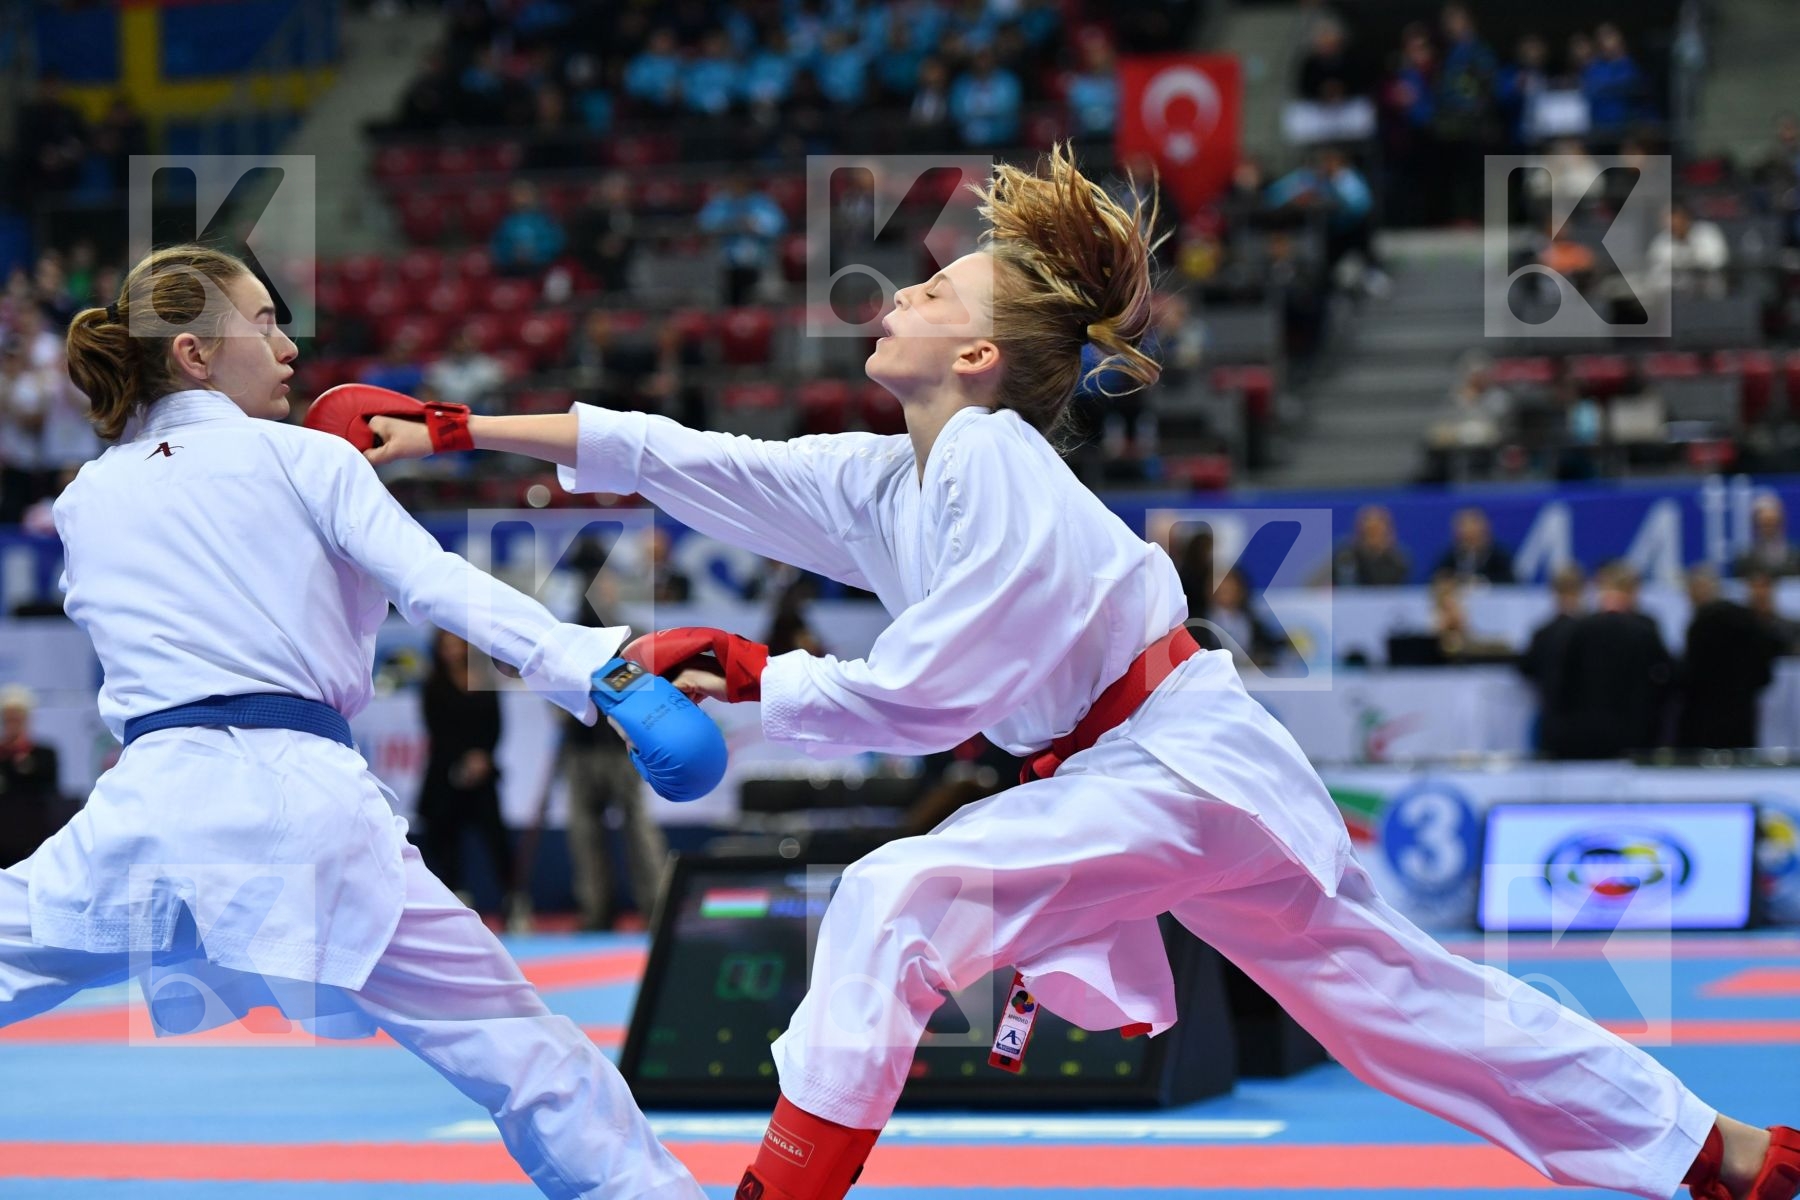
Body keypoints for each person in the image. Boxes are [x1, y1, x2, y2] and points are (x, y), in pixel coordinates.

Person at [355, 145, 1797, 1200]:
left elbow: (932, 696)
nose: (897, 294)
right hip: (1188, 769)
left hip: (1164, 764)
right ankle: (1715, 1152)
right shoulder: (888, 474)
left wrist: (754, 675)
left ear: (977, 354)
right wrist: (461, 427)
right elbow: (678, 459)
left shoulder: (996, 464)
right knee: (1411, 1007)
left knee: (893, 896)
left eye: (927, 287)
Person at [4, 244, 707, 1200]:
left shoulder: (85, 497)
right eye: (262, 321)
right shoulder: (304, 459)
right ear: (195, 355)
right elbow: (440, 586)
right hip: (298, 812)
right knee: (523, 1052)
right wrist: (600, 674)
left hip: (145, 819)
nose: (288, 343)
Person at [416, 630, 526, 926]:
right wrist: (461, 762)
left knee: (497, 841)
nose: (452, 651)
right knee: (447, 840)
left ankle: (514, 903)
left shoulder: (484, 681)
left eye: (457, 645)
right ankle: (456, 904)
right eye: (446, 646)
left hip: (483, 776)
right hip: (446, 776)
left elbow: (496, 726)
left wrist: (482, 758)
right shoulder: (433, 686)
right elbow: (436, 729)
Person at [1539, 562, 1673, 761]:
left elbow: (1562, 682)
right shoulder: (1644, 629)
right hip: (1635, 730)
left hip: (1586, 732)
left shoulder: (1580, 627)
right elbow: (1665, 674)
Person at [1677, 566, 1779, 752]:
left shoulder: (1701, 624)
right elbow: (1764, 673)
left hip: (1703, 720)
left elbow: (1689, 674)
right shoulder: (1748, 618)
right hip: (1742, 717)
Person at [0, 685, 61, 869]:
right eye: (8, 718)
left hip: (32, 835)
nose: (12, 722)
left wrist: (24, 767)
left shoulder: (44, 754)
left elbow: (50, 788)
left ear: (26, 719)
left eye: (17, 717)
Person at [1331, 504, 1411, 586]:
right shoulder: (1344, 557)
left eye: (1377, 532)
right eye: (1369, 532)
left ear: (1387, 533)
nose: (1373, 538)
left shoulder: (1398, 561)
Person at [1434, 506, 1515, 583]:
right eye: (1462, 526)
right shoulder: (1451, 556)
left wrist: (1482, 582)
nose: (1468, 531)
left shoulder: (1499, 556)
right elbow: (1437, 577)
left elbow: (1511, 582)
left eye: (1473, 525)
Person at [1733, 495, 1800, 578]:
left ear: (1781, 523)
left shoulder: (1795, 554)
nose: (1770, 529)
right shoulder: (1746, 557)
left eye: (1773, 523)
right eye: (1765, 524)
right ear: (1756, 526)